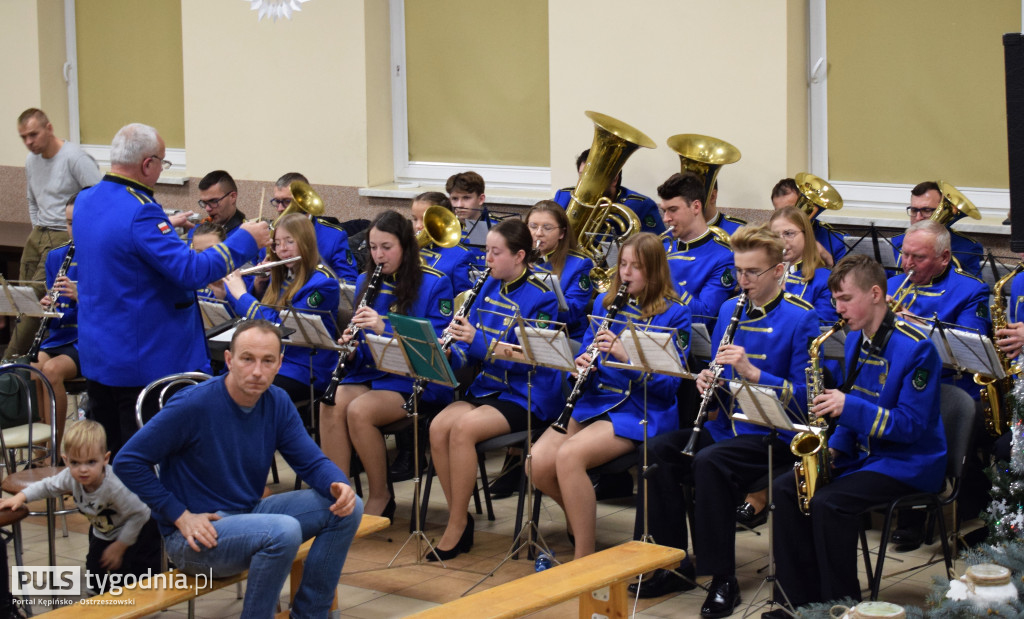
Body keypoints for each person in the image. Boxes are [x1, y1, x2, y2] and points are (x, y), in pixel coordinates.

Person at [114, 320, 362, 618]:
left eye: (267, 361)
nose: (257, 371)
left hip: (248, 516)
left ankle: (310, 615)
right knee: (283, 531)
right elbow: (127, 461)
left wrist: (337, 483)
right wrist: (179, 515)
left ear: (279, 363)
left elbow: (310, 461)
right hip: (195, 538)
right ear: (229, 360)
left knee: (350, 507)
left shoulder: (277, 401)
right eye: (247, 359)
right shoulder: (193, 404)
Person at [763, 255, 945, 617]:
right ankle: (797, 601)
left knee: (831, 503)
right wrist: (834, 450)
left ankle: (840, 607)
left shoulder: (917, 348)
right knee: (787, 488)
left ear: (876, 293)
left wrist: (847, 408)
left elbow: (909, 426)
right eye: (834, 300)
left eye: (845, 299)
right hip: (865, 456)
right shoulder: (854, 339)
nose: (838, 308)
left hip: (908, 463)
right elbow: (849, 411)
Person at [73, 122, 270, 456]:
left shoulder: (86, 200)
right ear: (147, 164)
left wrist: (164, 226)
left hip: (100, 354)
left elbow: (120, 243)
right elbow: (191, 272)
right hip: (144, 360)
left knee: (113, 459)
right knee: (147, 465)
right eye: (162, 163)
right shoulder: (142, 214)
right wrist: (244, 241)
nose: (161, 171)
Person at [530, 233, 690, 560]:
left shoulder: (674, 315)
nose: (627, 273)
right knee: (538, 461)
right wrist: (579, 368)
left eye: (637, 267)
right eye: (624, 265)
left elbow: (668, 387)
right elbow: (588, 361)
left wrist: (626, 358)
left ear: (656, 271)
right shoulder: (607, 305)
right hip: (597, 402)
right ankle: (580, 522)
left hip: (640, 410)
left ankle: (583, 558)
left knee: (569, 456)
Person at [691, 225, 819, 618]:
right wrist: (708, 381)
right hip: (730, 424)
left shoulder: (801, 319)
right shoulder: (730, 310)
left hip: (774, 432)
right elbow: (721, 380)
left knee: (710, 463)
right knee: (662, 453)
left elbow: (807, 401)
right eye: (739, 270)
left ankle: (722, 579)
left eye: (752, 273)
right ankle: (670, 561)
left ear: (778, 271)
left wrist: (752, 371)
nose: (742, 281)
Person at [428, 219, 561, 561]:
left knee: (462, 430)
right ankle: (462, 516)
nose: (487, 259)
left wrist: (476, 340)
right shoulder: (485, 287)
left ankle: (456, 524)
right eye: (486, 250)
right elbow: (465, 353)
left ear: (519, 256)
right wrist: (450, 352)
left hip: (526, 393)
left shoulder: (541, 299)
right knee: (438, 426)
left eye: (495, 252)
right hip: (489, 388)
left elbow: (529, 360)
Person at [317, 210, 453, 519]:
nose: (378, 255)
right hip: (374, 372)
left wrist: (384, 327)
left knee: (360, 410)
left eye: (386, 247)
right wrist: (351, 350)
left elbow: (435, 347)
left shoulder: (434, 284)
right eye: (373, 247)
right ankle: (338, 494)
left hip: (416, 379)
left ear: (405, 246)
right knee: (331, 403)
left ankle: (381, 495)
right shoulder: (367, 279)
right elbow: (365, 348)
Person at [886, 219, 990, 551]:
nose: (907, 264)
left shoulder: (971, 289)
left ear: (944, 257)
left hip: (952, 385)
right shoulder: (890, 285)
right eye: (904, 255)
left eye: (918, 258)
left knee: (922, 420)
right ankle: (896, 502)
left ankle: (921, 513)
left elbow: (969, 345)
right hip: (899, 383)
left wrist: (911, 324)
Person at [0, 420, 160, 593]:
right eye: (76, 463)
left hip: (134, 528)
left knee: (122, 571)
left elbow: (141, 513)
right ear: (66, 461)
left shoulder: (115, 487)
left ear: (105, 459)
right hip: (105, 531)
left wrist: (121, 545)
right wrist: (21, 497)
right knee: (94, 565)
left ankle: (127, 603)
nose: (83, 470)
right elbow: (47, 486)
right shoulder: (70, 476)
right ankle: (96, 602)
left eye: (91, 462)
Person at [9, 108, 102, 358]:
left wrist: (81, 234)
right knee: (20, 299)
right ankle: (20, 364)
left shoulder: (75, 158)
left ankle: (10, 365)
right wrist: (36, 228)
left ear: (49, 129)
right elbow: (32, 199)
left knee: (39, 300)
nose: (29, 142)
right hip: (39, 231)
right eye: (23, 137)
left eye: (33, 134)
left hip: (64, 233)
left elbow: (97, 199)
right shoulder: (31, 160)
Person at [224, 213, 340, 405]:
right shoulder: (284, 273)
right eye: (277, 243)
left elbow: (283, 328)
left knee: (247, 392)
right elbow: (263, 314)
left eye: (289, 241)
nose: (282, 249)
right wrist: (258, 286)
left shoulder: (323, 283)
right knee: (224, 385)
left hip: (305, 368)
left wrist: (241, 295)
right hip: (273, 360)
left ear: (306, 242)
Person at [30, 194, 80, 452]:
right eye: (69, 223)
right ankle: (42, 448)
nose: (73, 229)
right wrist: (49, 305)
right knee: (34, 367)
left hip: (86, 338)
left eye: (78, 222)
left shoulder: (103, 258)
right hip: (60, 335)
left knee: (51, 371)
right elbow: (57, 309)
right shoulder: (56, 257)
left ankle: (55, 452)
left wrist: (80, 295)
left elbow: (113, 306)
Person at [658, 173, 735, 324]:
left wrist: (663, 278)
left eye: (673, 210)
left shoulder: (724, 257)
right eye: (664, 211)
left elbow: (703, 315)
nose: (666, 219)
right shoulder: (661, 247)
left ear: (696, 207)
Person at [272, 172, 359, 285]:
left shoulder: (334, 236)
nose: (279, 208)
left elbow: (349, 282)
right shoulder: (272, 233)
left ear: (304, 200)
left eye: (286, 201)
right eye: (277, 202)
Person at [553, 149, 666, 235]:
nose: (585, 184)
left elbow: (662, 246)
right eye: (582, 176)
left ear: (614, 180)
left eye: (593, 177)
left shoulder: (641, 205)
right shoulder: (564, 197)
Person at [527, 200, 595, 342]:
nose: (538, 233)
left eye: (547, 228)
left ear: (561, 233)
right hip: (524, 330)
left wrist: (527, 303)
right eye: (533, 226)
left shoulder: (580, 264)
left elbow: (571, 313)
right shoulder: (518, 258)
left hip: (563, 337)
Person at [889, 181, 984, 278]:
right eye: (914, 210)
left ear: (941, 210)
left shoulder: (967, 247)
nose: (918, 218)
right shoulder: (895, 243)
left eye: (926, 210)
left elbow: (973, 289)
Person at [769, 206, 838, 323]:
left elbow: (822, 328)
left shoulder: (825, 280)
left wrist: (781, 300)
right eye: (775, 236)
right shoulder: (762, 274)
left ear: (806, 235)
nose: (781, 241)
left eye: (789, 233)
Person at [771, 177, 848, 267]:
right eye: (779, 211)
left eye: (790, 210)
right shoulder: (768, 238)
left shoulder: (836, 241)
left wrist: (828, 261)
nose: (784, 216)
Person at [410, 191, 475, 294]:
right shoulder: (407, 250)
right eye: (414, 219)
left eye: (424, 220)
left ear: (442, 221)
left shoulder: (460, 256)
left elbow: (464, 298)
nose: (418, 225)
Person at [447, 171, 499, 268]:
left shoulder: (499, 228)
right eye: (454, 199)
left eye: (466, 198)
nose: (459, 205)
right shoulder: (446, 228)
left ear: (481, 199)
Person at [194, 170, 246, 237]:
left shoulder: (244, 235)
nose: (207, 208)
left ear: (233, 197)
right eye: (204, 202)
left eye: (213, 201)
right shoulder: (198, 229)